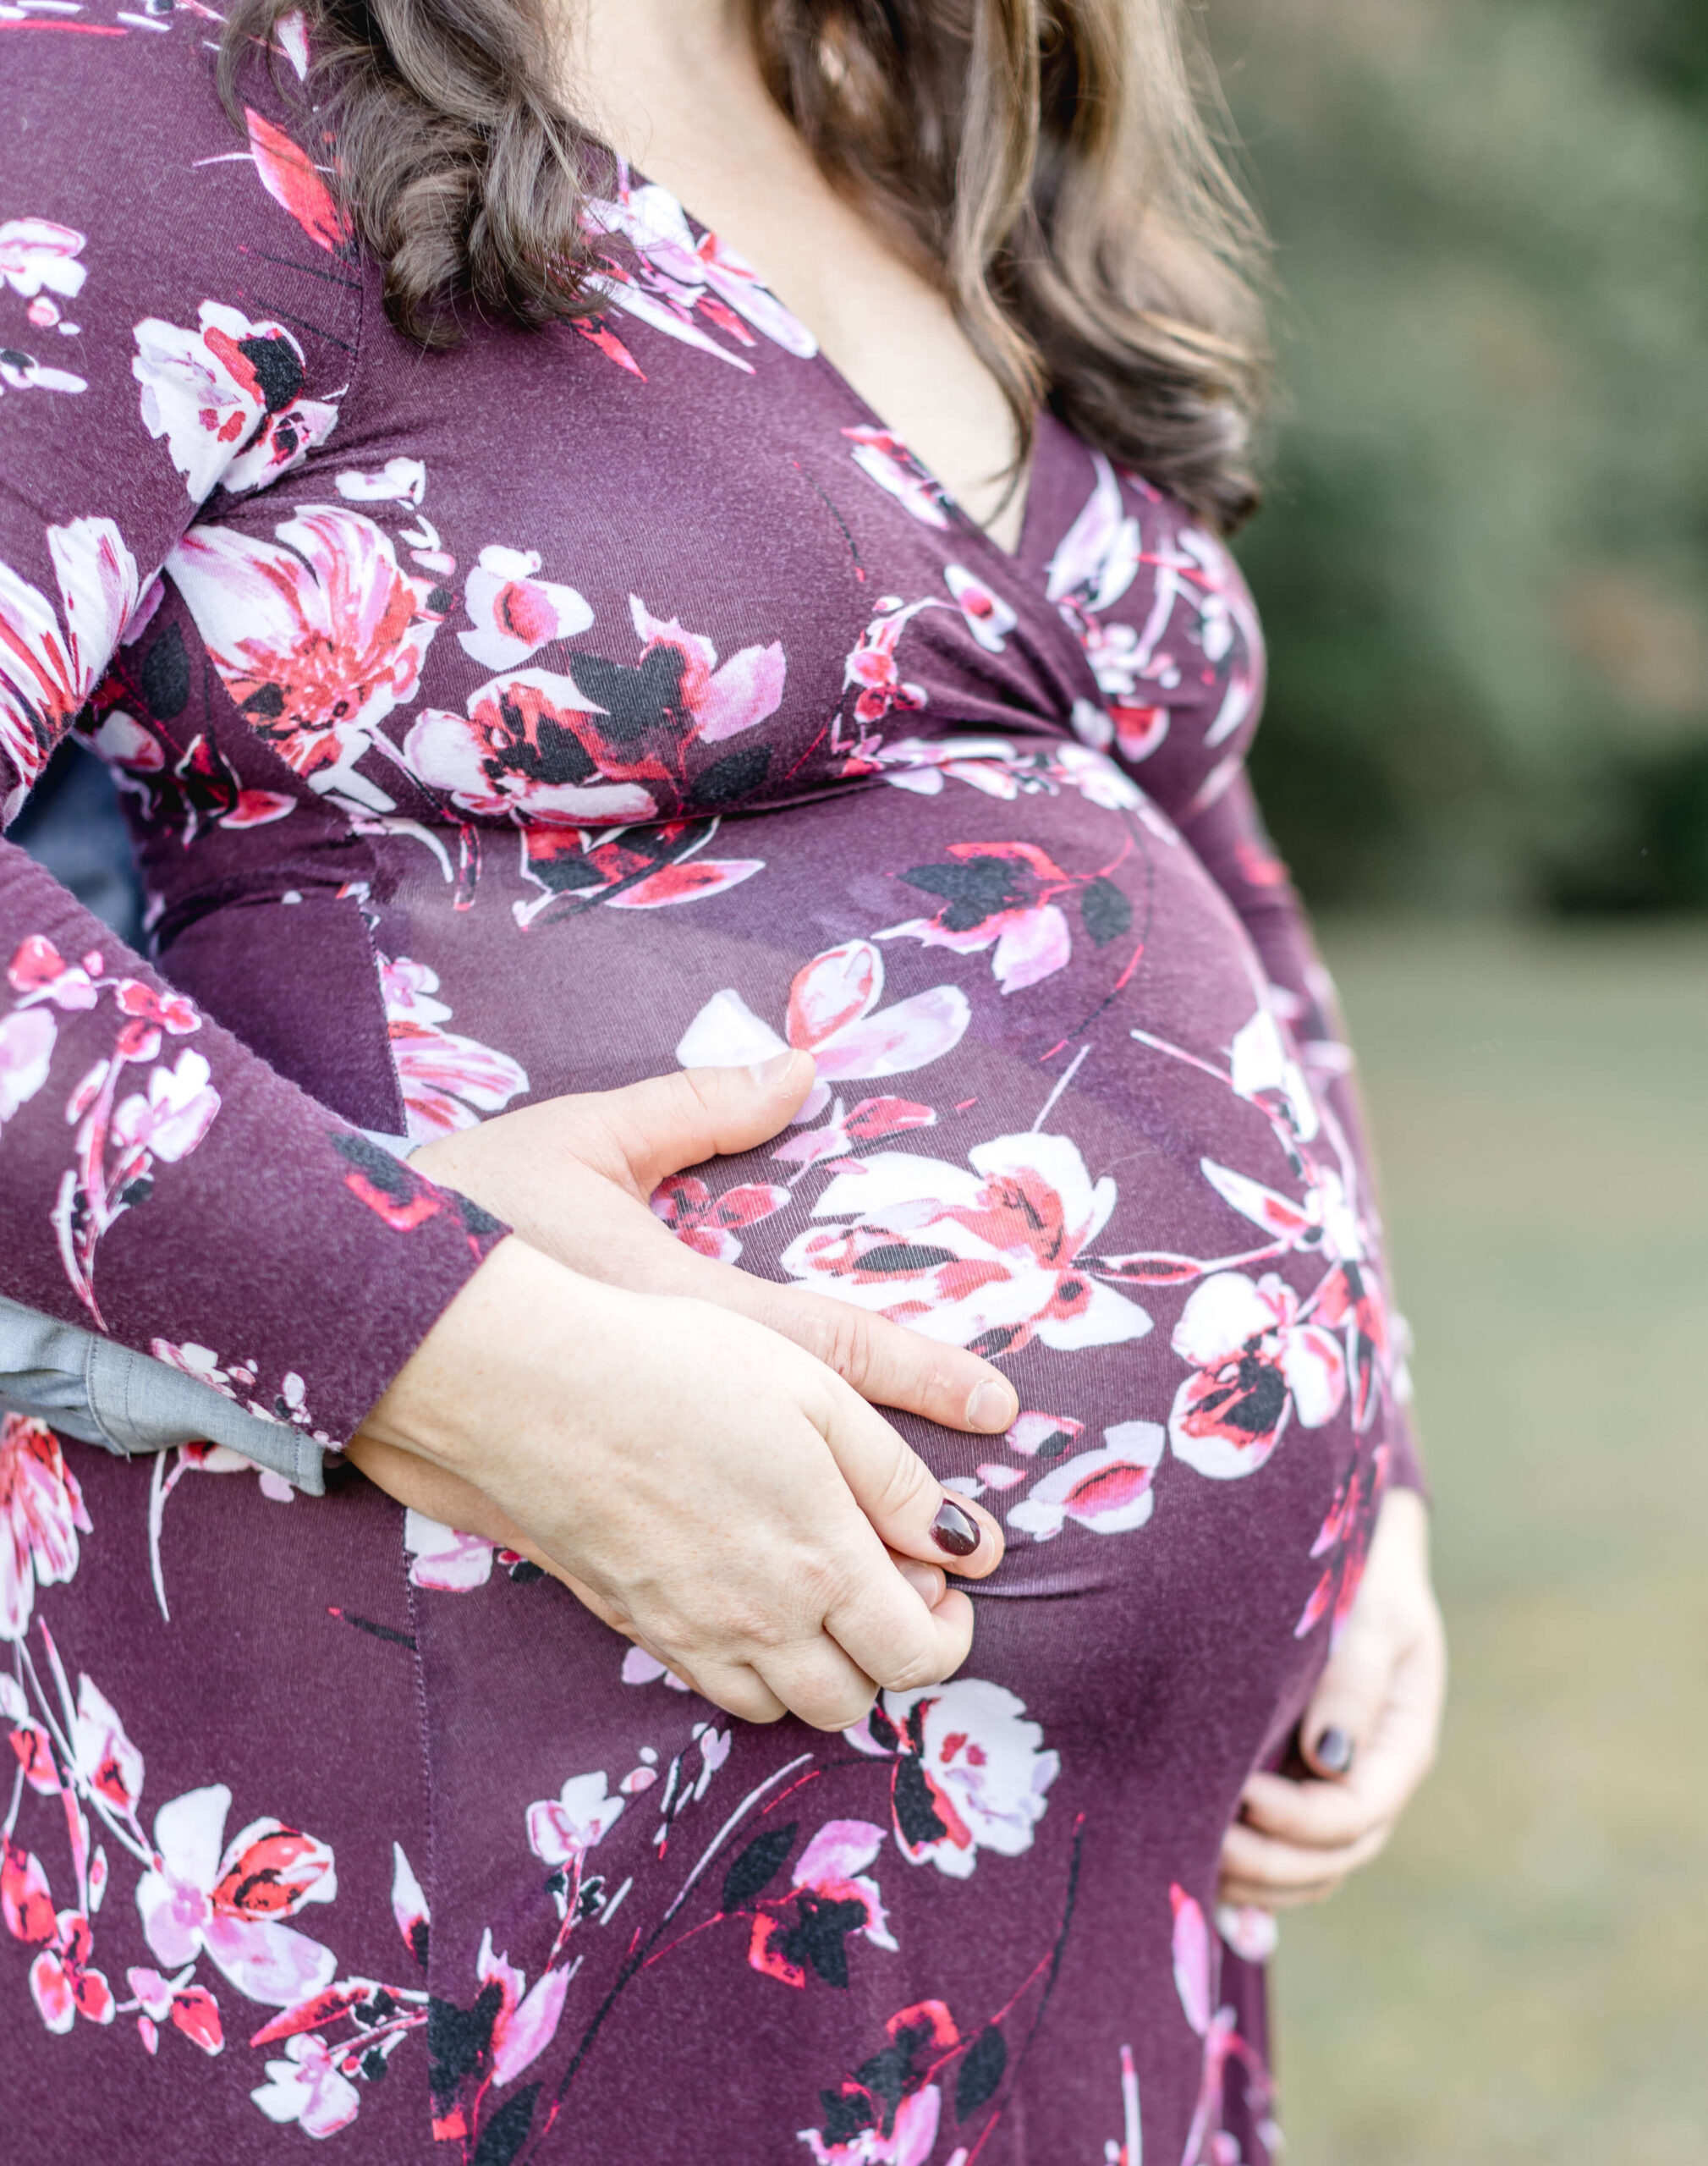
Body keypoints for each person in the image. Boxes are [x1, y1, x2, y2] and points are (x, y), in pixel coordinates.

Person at [0, 2, 1446, 2158]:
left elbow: (1200, 833)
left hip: (1062, 1929)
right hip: (472, 1855)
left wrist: (1372, 1476)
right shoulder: (158, 86)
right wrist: (464, 1356)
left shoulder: (931, 108)